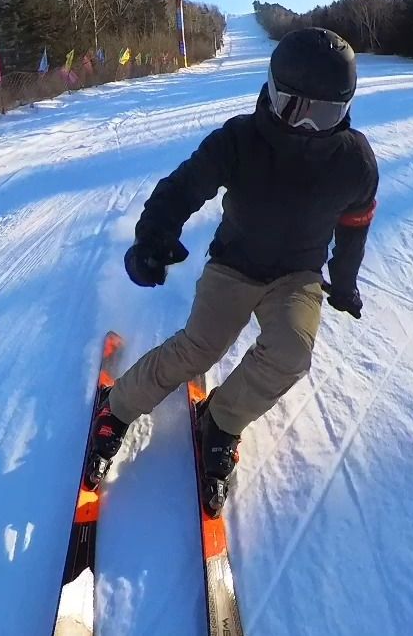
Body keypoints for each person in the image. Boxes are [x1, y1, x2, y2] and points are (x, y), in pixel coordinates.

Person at [87, 27, 379, 516]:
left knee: (290, 353)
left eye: (324, 114)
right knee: (198, 349)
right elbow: (182, 187)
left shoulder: (354, 163)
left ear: (345, 107)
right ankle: (116, 409)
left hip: (297, 277)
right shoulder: (240, 139)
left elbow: (354, 227)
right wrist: (152, 238)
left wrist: (344, 282)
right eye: (293, 109)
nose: (306, 126)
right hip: (234, 265)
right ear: (270, 91)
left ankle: (221, 420)